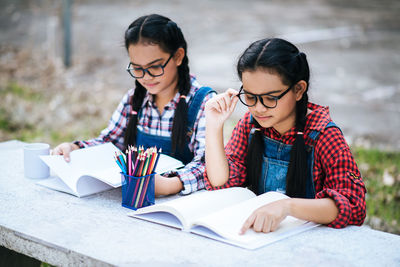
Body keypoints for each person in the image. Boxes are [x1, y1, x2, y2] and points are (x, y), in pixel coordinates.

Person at [204, 38, 366, 234]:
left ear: (298, 90)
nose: (259, 108)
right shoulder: (249, 126)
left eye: (270, 98)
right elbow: (221, 183)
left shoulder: (324, 135)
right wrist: (214, 125)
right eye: (250, 97)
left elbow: (353, 205)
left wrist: (286, 207)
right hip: (260, 238)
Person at [53, 14, 215, 196]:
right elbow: (110, 143)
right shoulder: (134, 100)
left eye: (155, 67)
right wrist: (74, 149)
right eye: (137, 68)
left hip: (182, 205)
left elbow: (208, 164)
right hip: (136, 201)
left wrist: (170, 184)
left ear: (178, 56)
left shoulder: (204, 103)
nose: (145, 77)